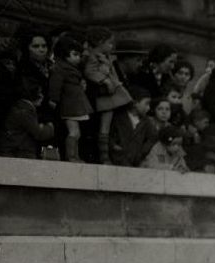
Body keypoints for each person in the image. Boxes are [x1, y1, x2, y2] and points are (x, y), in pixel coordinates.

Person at [84, 27, 132, 164]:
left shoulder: (106, 57)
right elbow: (89, 72)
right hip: (104, 95)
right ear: (100, 42)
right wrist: (104, 80)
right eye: (109, 43)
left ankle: (106, 153)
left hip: (110, 93)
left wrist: (116, 83)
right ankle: (104, 155)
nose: (112, 46)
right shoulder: (94, 57)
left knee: (108, 124)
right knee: (104, 125)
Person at [48, 37, 93, 162]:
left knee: (76, 132)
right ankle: (72, 156)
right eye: (74, 54)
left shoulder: (69, 69)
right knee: (74, 132)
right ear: (64, 54)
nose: (78, 58)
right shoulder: (61, 69)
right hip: (70, 106)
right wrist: (54, 99)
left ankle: (74, 156)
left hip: (74, 104)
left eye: (79, 55)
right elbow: (55, 85)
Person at [0, 83, 55, 159]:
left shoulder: (21, 108)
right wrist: (50, 127)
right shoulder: (25, 111)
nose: (42, 96)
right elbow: (39, 133)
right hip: (18, 152)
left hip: (16, 150)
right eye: (39, 93)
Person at [109, 86, 155, 166]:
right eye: (146, 103)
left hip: (136, 162)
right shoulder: (118, 118)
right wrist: (114, 146)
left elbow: (152, 138)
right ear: (135, 103)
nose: (148, 108)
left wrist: (141, 152)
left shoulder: (146, 122)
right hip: (117, 161)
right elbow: (110, 137)